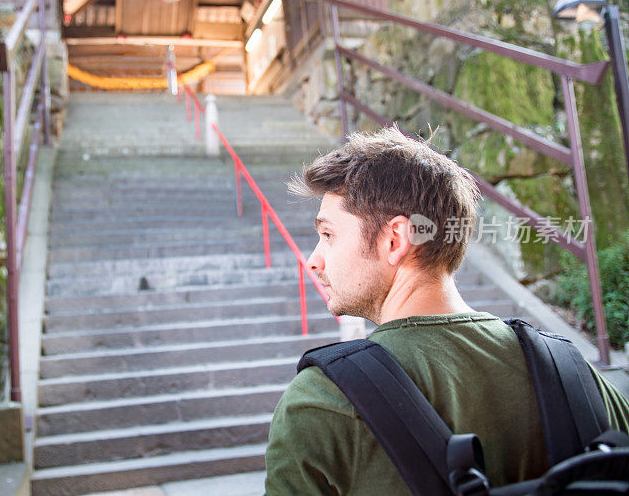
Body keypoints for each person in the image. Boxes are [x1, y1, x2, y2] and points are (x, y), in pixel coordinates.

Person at [264, 126, 629, 495]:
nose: (314, 261)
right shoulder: (574, 373)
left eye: (328, 235)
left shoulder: (322, 403)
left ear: (395, 240)